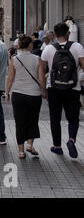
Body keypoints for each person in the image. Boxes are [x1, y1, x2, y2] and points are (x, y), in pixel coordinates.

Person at [39, 22, 84, 159]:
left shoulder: (48, 49)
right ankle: (71, 140)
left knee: (55, 117)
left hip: (53, 88)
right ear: (68, 33)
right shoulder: (77, 47)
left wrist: (43, 89)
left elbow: (41, 69)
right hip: (73, 88)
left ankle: (57, 147)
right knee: (73, 117)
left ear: (55, 34)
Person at [5, 35, 42, 159]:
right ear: (30, 45)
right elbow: (41, 78)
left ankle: (21, 151)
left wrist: (7, 93)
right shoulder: (37, 59)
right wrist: (44, 91)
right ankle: (30, 144)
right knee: (33, 119)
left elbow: (10, 78)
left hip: (18, 94)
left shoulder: (14, 59)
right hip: (34, 94)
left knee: (20, 121)